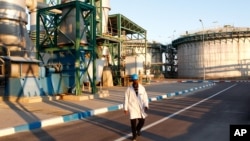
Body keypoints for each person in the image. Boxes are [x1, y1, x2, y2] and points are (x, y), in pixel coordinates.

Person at [124, 74, 149, 141]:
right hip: (132, 107)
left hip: (140, 107)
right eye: (134, 80)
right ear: (132, 81)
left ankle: (137, 130)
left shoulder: (142, 88)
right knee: (133, 123)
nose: (135, 81)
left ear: (138, 80)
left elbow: (145, 98)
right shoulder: (129, 89)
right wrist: (125, 108)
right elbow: (126, 99)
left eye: (136, 80)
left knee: (142, 121)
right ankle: (134, 136)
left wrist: (146, 105)